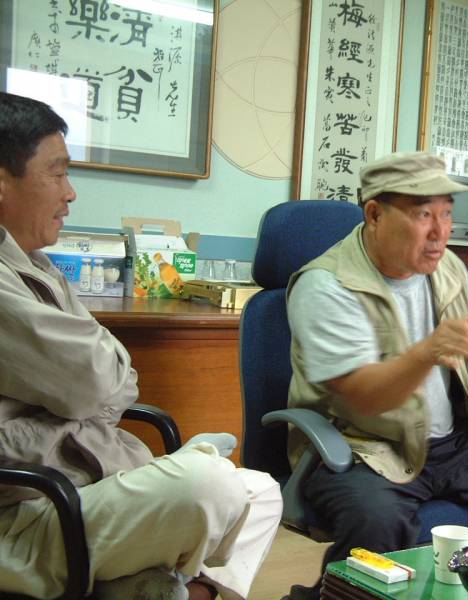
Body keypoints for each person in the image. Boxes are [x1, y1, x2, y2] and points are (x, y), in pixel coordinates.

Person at [0, 91, 282, 600]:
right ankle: (173, 580)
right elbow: (95, 381)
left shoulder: (33, 263)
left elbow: (116, 380)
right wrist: (87, 394)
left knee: (261, 491)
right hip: (31, 510)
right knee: (210, 486)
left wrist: (86, 394)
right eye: (57, 173)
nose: (70, 193)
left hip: (84, 480)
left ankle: (176, 584)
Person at [285, 152, 468, 600]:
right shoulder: (327, 285)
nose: (439, 232)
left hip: (449, 444)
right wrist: (426, 352)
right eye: (422, 214)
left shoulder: (446, 268)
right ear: (374, 214)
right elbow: (361, 398)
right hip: (361, 447)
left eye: (446, 214)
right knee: (378, 524)